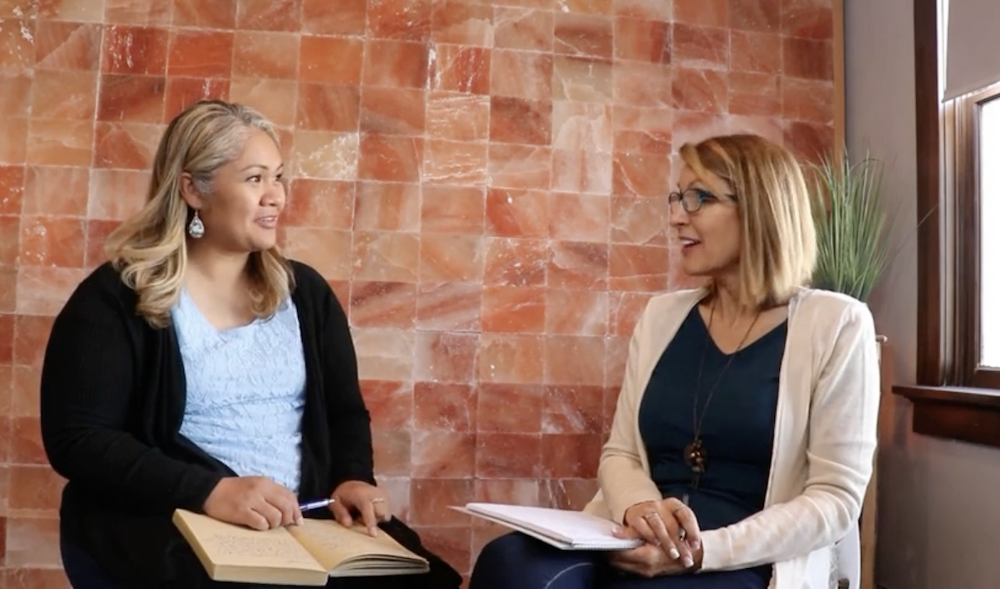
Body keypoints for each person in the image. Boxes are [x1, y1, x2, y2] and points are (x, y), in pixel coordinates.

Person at [40, 100, 461, 589]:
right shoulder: (116, 297)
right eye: (255, 179)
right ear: (193, 189)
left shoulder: (307, 295)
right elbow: (79, 439)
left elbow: (344, 412)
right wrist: (211, 491)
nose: (275, 196)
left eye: (278, 178)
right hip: (175, 519)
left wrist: (350, 478)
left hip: (305, 521)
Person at [470, 134, 880, 589]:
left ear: (761, 209)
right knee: (508, 564)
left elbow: (836, 499)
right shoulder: (661, 317)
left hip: (743, 558)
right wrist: (641, 508)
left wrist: (700, 552)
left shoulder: (838, 324)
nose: (676, 216)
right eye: (677, 198)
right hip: (635, 540)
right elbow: (621, 453)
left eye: (699, 198)